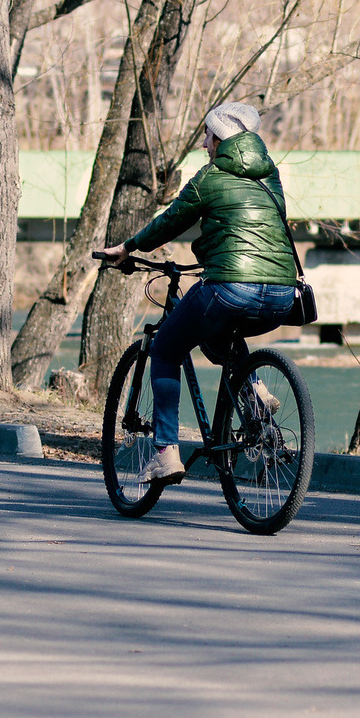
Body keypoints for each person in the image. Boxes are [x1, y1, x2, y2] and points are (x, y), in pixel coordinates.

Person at [96, 102, 300, 491]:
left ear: (220, 139)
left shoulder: (210, 176)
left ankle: (165, 454)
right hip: (280, 294)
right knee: (222, 333)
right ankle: (255, 392)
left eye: (207, 136)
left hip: (230, 285)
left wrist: (128, 247)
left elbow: (172, 220)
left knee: (167, 349)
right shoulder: (270, 176)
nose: (204, 144)